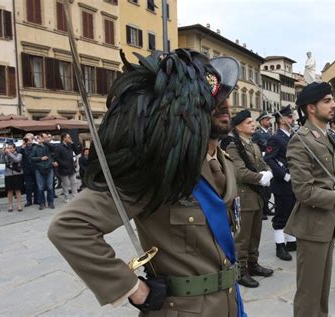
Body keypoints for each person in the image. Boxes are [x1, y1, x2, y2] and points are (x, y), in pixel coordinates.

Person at [48, 50, 248, 316]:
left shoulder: (225, 162)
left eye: (225, 95)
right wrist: (134, 289)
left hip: (229, 303)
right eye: (212, 100)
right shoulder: (159, 170)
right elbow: (69, 228)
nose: (224, 104)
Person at [285, 82, 335, 317]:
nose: (334, 104)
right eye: (327, 101)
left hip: (325, 223)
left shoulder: (324, 136)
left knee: (322, 291)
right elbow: (303, 191)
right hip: (312, 226)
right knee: (309, 294)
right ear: (310, 108)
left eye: (332, 99)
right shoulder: (301, 140)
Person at [226, 110, 274, 288]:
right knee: (242, 237)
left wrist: (268, 171)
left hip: (257, 197)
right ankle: (241, 270)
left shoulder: (253, 145)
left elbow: (263, 162)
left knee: (255, 234)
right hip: (244, 198)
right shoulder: (233, 146)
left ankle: (253, 264)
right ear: (238, 127)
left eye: (253, 121)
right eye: (248, 122)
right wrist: (260, 178)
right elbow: (238, 172)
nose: (253, 124)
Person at [264, 105, 296, 261]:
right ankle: (280, 245)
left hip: (293, 182)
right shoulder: (275, 138)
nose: (293, 119)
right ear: (281, 120)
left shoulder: (291, 136)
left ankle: (291, 242)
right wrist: (283, 175)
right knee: (281, 216)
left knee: (292, 212)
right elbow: (269, 158)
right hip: (282, 183)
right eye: (289, 117)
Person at [252, 110, 274, 219]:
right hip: (262, 161)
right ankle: (262, 211)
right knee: (263, 188)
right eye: (266, 119)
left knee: (268, 189)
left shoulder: (269, 132)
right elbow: (254, 147)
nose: (268, 121)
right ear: (261, 121)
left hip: (269, 161)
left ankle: (266, 208)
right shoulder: (257, 133)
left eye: (269, 119)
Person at [31, 133, 56, 210]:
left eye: (46, 137)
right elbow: (31, 158)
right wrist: (40, 158)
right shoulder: (35, 147)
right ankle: (42, 203)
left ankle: (50, 202)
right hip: (39, 169)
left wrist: (45, 142)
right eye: (45, 137)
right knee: (40, 187)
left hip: (49, 168)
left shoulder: (48, 146)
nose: (46, 138)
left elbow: (53, 149)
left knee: (50, 186)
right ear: (40, 138)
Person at [55, 133, 80, 203]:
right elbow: (56, 157)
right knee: (66, 184)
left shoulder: (70, 145)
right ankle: (66, 197)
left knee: (74, 183)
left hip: (71, 167)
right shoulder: (59, 147)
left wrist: (73, 144)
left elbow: (77, 152)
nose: (70, 138)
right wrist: (63, 164)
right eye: (68, 137)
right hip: (63, 168)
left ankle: (75, 196)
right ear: (64, 138)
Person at [1, 143, 24, 212]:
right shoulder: (6, 155)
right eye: (8, 148)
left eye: (11, 148)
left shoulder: (19, 154)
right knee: (9, 191)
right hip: (8, 174)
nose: (9, 149)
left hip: (17, 174)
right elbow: (2, 161)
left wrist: (9, 153)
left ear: (14, 149)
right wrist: (3, 154)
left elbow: (16, 160)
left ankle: (19, 205)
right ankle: (10, 205)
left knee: (18, 190)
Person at [18, 133, 38, 207]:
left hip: (35, 168)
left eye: (28, 138)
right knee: (28, 186)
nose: (26, 139)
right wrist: (23, 146)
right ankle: (29, 201)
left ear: (32, 138)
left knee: (36, 185)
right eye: (25, 138)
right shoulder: (22, 147)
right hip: (26, 169)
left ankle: (36, 199)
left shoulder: (35, 146)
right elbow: (18, 153)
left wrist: (32, 142)